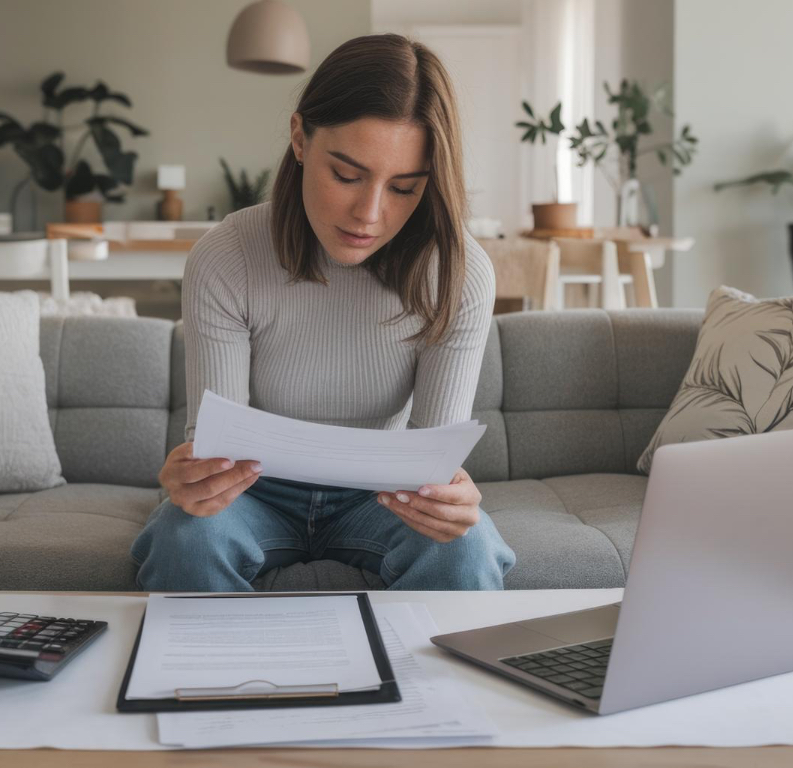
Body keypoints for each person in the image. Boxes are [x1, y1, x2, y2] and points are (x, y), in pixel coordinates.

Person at [130, 32, 515, 592]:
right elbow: (219, 454)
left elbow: (432, 462)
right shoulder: (227, 256)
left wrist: (451, 501)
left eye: (404, 188)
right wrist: (194, 481)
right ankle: (205, 680)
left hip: (385, 497)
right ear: (300, 137)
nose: (370, 214)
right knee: (186, 538)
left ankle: (418, 685)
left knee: (465, 549)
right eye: (347, 175)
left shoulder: (457, 271)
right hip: (253, 491)